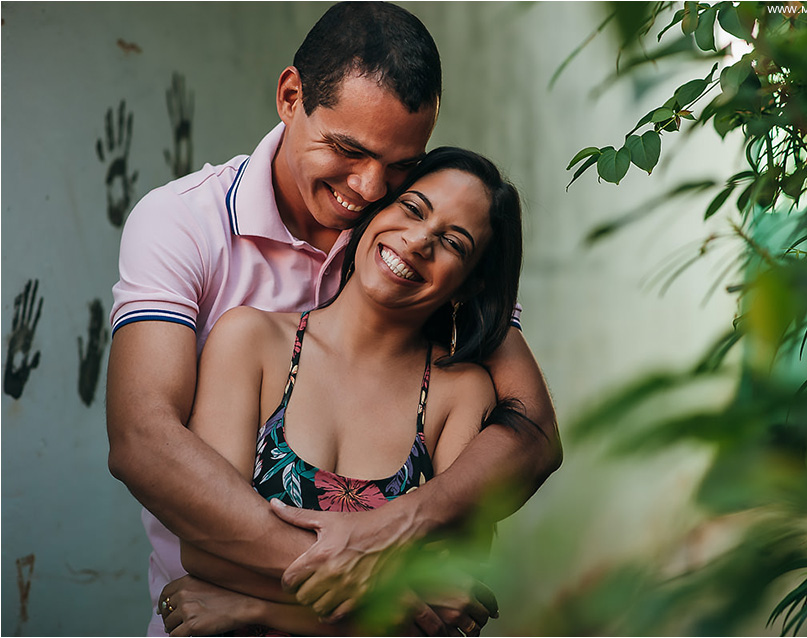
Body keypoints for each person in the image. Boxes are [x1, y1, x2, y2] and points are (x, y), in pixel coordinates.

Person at [105, 2, 561, 636]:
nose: (371, 186)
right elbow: (142, 442)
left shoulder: (395, 238)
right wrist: (388, 590)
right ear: (291, 96)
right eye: (348, 149)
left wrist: (401, 523)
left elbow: (534, 431)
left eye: (401, 165)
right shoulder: (185, 223)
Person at [156, 147, 524, 636]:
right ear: (376, 212)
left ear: (469, 285)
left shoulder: (461, 393)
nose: (416, 241)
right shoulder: (252, 342)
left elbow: (449, 607)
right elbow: (205, 546)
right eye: (412, 209)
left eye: (453, 242)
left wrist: (260, 609)